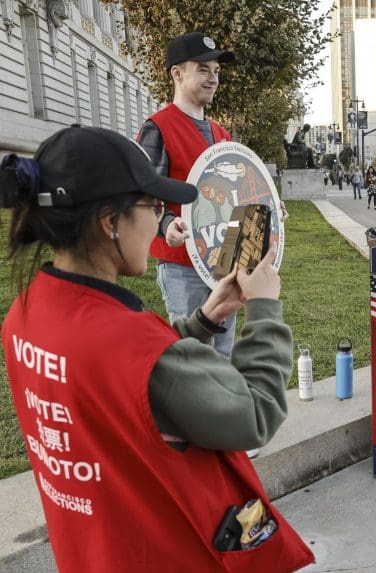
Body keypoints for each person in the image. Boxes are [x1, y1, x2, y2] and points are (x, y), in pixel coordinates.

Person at [0, 126, 314, 572]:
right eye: (153, 207)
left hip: (92, 550)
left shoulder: (25, 314)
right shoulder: (132, 345)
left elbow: (120, 388)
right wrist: (263, 308)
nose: (159, 222)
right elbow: (255, 414)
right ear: (110, 222)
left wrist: (202, 321)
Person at [136, 32, 237, 357]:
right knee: (194, 357)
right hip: (183, 267)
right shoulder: (158, 128)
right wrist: (166, 225)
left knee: (222, 353)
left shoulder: (222, 133)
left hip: (223, 260)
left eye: (217, 71)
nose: (213, 78)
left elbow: (237, 191)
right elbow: (141, 196)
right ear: (178, 74)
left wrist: (268, 207)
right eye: (204, 69)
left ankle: (223, 409)